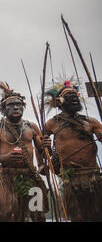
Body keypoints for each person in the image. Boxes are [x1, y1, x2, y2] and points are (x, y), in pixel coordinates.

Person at [0, 78, 48, 222]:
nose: (15, 107)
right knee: (5, 215)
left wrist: (46, 149)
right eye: (11, 105)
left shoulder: (32, 127)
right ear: (3, 109)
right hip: (7, 178)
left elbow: (42, 151)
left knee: (38, 215)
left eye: (19, 104)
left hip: (30, 176)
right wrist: (5, 158)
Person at [43, 80, 102, 221]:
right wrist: (45, 149)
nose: (73, 99)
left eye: (75, 96)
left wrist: (98, 134)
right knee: (77, 217)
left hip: (92, 175)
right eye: (69, 96)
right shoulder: (52, 123)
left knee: (97, 215)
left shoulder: (91, 121)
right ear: (60, 102)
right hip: (70, 178)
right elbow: (42, 148)